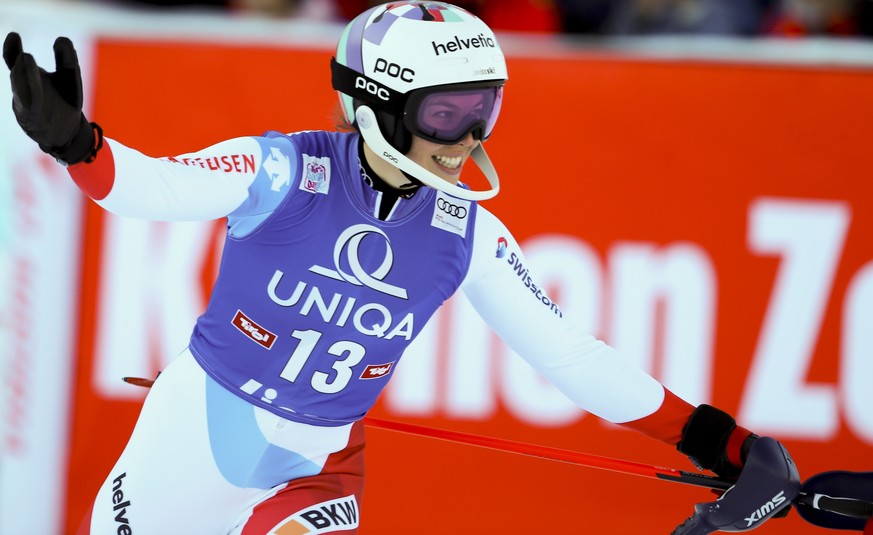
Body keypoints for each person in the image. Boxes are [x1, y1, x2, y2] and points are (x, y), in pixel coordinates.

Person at [3, 2, 800, 533]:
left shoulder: (467, 234)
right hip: (188, 431)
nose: (467, 136)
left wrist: (718, 439)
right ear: (377, 103)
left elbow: (568, 354)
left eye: (483, 108)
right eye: (445, 112)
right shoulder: (283, 170)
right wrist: (79, 145)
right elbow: (155, 188)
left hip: (316, 473)